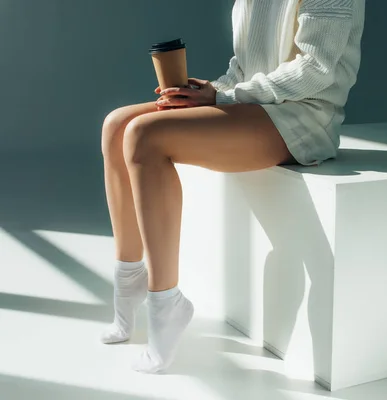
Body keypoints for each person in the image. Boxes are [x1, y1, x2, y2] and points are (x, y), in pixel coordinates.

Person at [100, 0, 365, 373]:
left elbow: (316, 70)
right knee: (116, 126)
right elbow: (246, 64)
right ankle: (129, 280)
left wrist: (223, 98)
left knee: (145, 135)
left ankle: (165, 301)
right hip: (252, 104)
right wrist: (208, 90)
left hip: (304, 115)